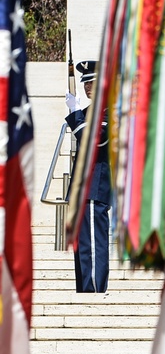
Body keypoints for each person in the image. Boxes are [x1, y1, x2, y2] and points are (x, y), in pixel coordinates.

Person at [65, 60, 112, 293]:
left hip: (95, 186)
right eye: (85, 83)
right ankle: (85, 288)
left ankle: (94, 288)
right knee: (83, 244)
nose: (87, 88)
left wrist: (76, 115)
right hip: (82, 187)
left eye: (92, 82)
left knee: (94, 242)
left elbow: (95, 140)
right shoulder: (88, 112)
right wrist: (78, 115)